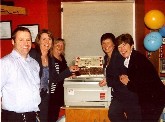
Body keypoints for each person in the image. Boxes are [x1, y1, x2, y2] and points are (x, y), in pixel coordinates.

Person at [116, 33, 165, 122]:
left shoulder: (138, 59)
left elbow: (143, 87)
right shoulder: (131, 58)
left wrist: (128, 83)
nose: (122, 49)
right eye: (119, 47)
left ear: (132, 46)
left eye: (124, 45)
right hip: (150, 98)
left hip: (154, 99)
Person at [0, 27, 41, 122]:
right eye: (21, 40)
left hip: (32, 116)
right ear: (13, 42)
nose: (25, 43)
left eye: (28, 40)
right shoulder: (5, 63)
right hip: (13, 118)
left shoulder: (34, 63)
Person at [99, 33, 141, 122]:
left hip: (128, 93)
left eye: (108, 43)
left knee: (132, 117)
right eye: (103, 43)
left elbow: (124, 77)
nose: (106, 45)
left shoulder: (119, 56)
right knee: (113, 113)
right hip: (118, 94)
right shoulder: (106, 58)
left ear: (114, 44)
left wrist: (108, 81)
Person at [48, 38, 79, 122]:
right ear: (52, 46)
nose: (60, 47)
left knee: (55, 116)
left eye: (62, 45)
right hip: (53, 95)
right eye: (57, 45)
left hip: (60, 92)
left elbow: (63, 73)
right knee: (51, 117)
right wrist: (68, 70)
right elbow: (55, 79)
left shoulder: (62, 57)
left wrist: (70, 74)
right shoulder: (51, 60)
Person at [29, 29, 53, 122]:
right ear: (38, 41)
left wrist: (69, 71)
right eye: (44, 39)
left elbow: (54, 77)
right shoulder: (32, 54)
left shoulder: (50, 58)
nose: (47, 42)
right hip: (33, 96)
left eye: (49, 39)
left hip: (45, 95)